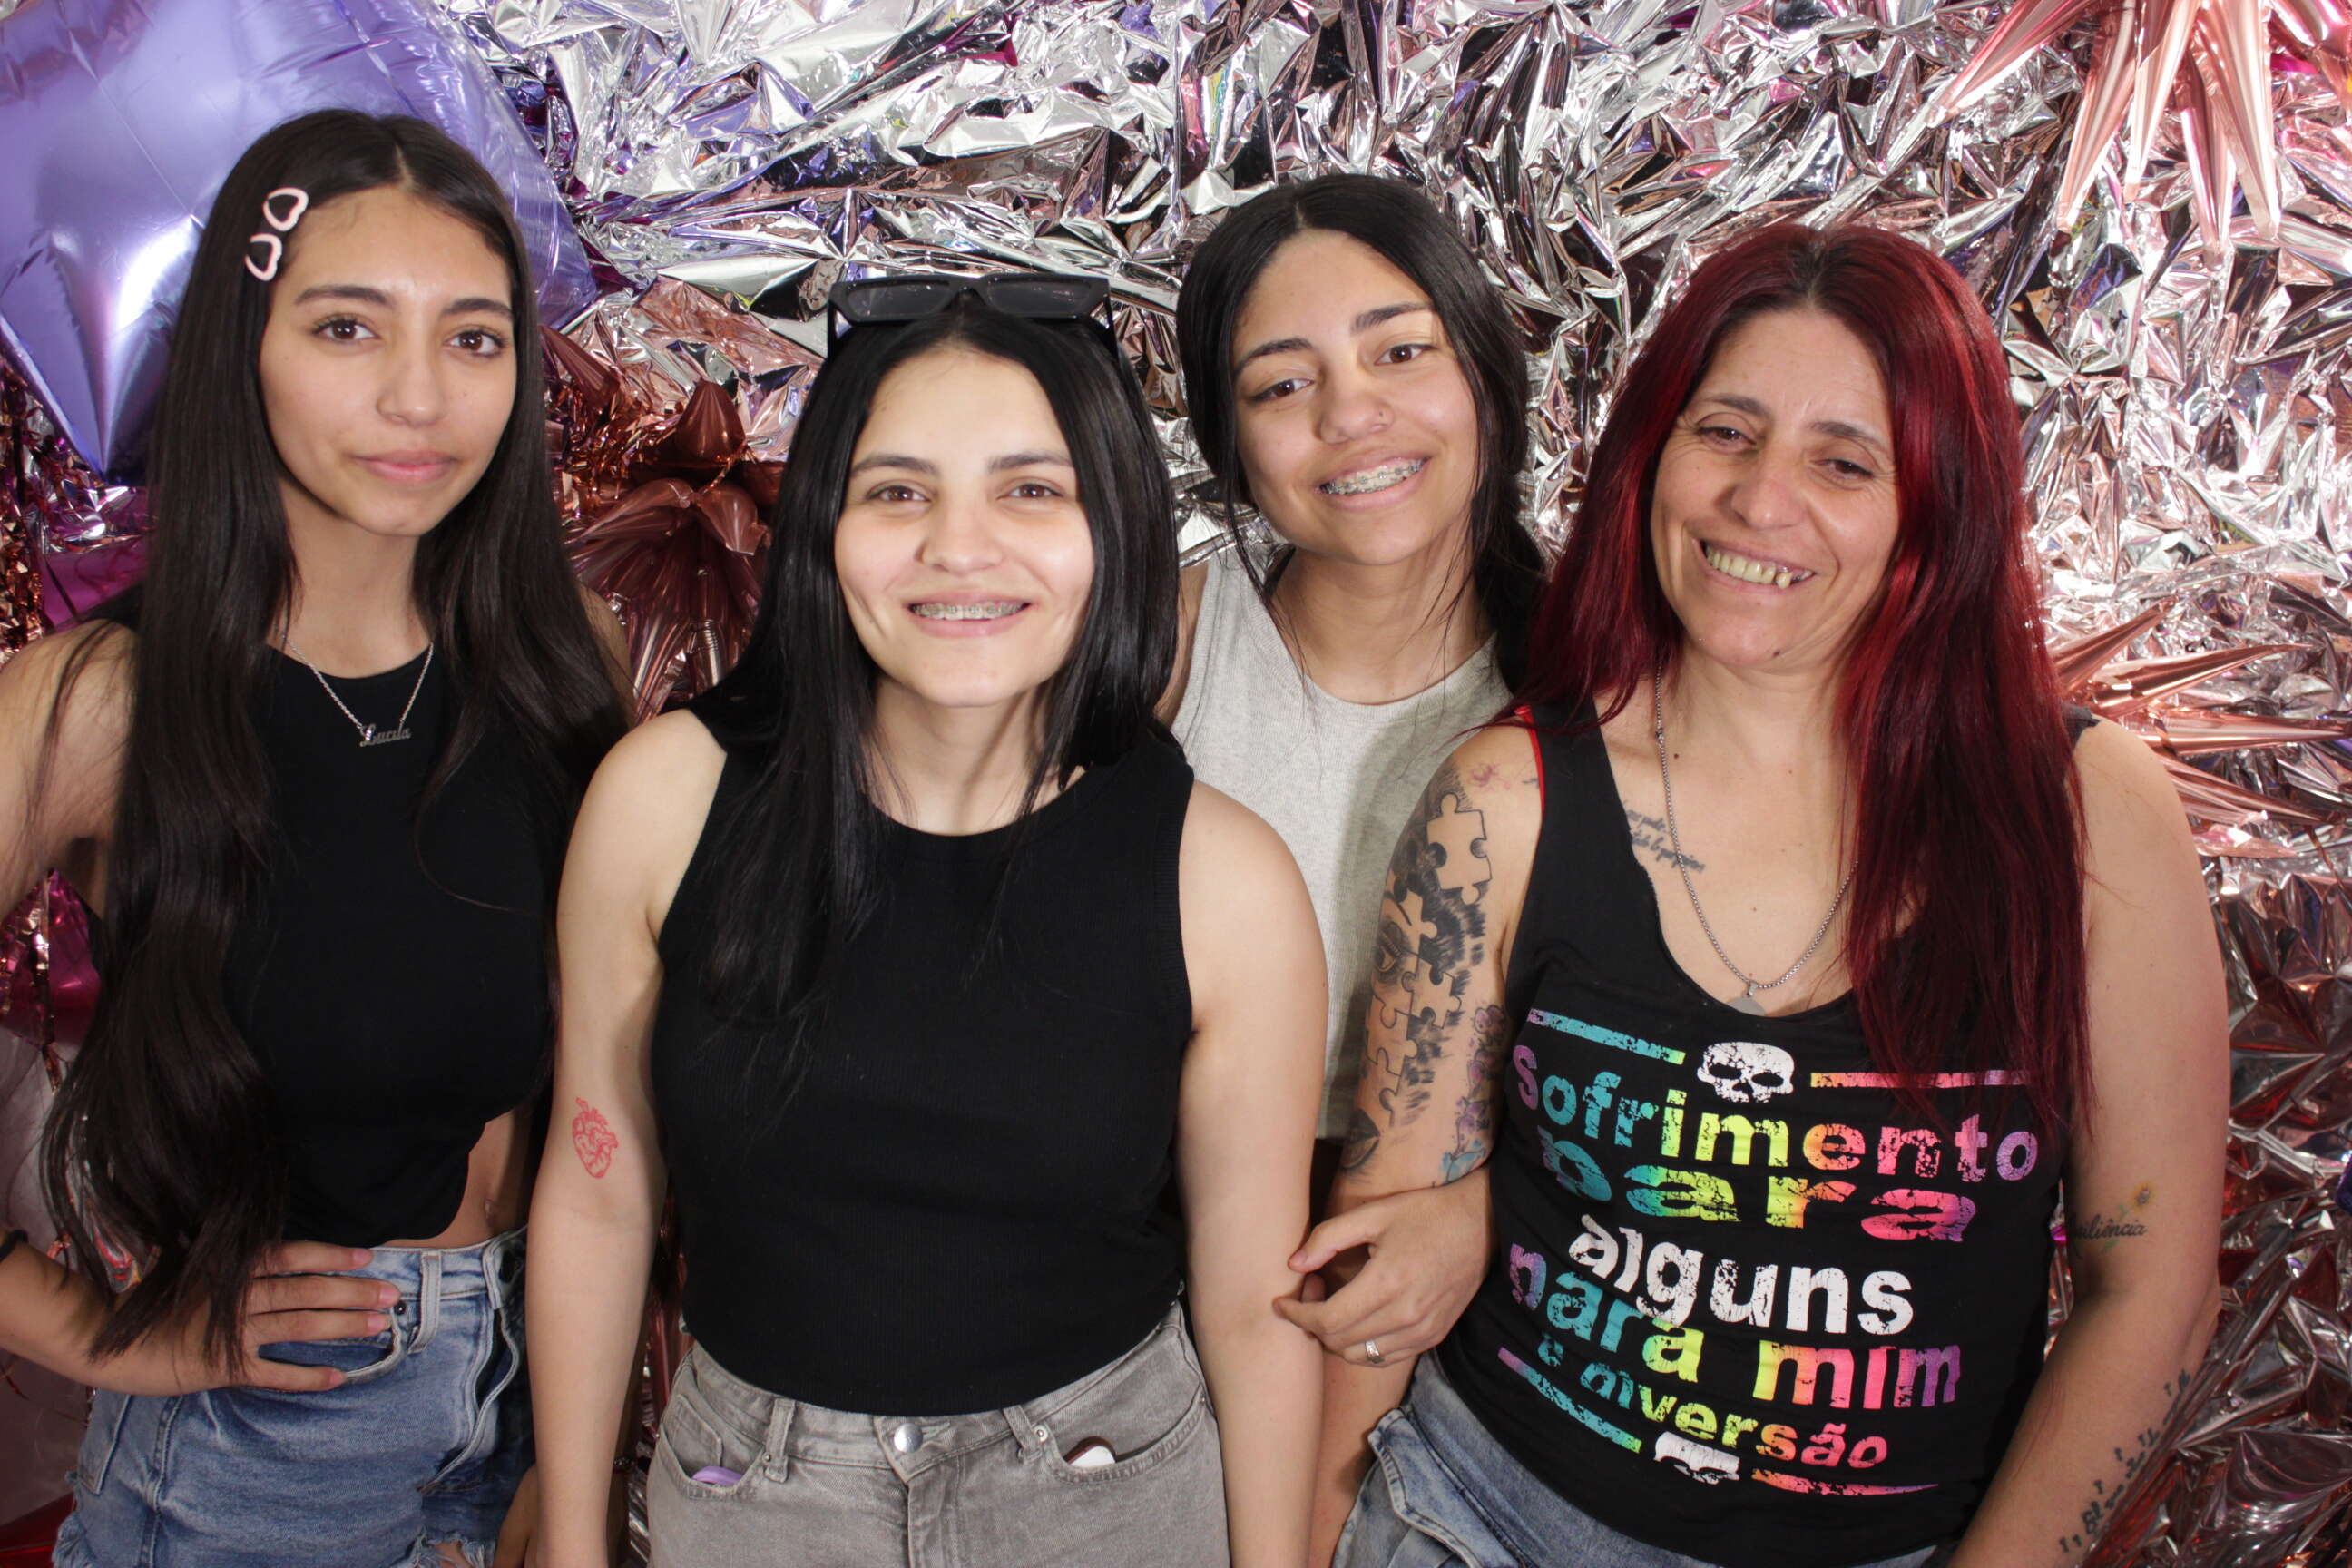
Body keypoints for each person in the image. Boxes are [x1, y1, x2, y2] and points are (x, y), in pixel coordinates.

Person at [1313, 223, 2227, 1568]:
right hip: (1474, 1520)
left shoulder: (2089, 815)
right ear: (1652, 457)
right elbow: (1378, 1275)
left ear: (1940, 504)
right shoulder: (1500, 801)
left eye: (1843, 462)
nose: (1759, 498)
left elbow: (2152, 1290)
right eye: (1726, 433)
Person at [527, 276, 1325, 1568]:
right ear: (826, 527)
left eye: (1032, 490)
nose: (961, 548)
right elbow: (600, 1195)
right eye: (898, 492)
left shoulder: (1224, 881)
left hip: (1103, 1497)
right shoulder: (662, 802)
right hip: (754, 1502)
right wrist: (574, 1545)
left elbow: (1250, 1307)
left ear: (1116, 526)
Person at [4, 111, 627, 1566]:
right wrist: (85, 1330)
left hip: (540, 1402)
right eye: (349, 327)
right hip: (257, 1462)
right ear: (245, 352)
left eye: (474, 339)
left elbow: (604, 1087)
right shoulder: (108, 703)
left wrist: (571, 1462)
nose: (420, 396)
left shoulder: (562, 663)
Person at [1170, 173, 1541, 1359]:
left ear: (1484, 371)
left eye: (1401, 352)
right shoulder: (1162, 649)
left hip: (1481, 1307)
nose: (1351, 414)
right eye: (1283, 384)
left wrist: (1487, 1212)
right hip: (1165, 1257)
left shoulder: (1599, 682)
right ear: (1232, 445)